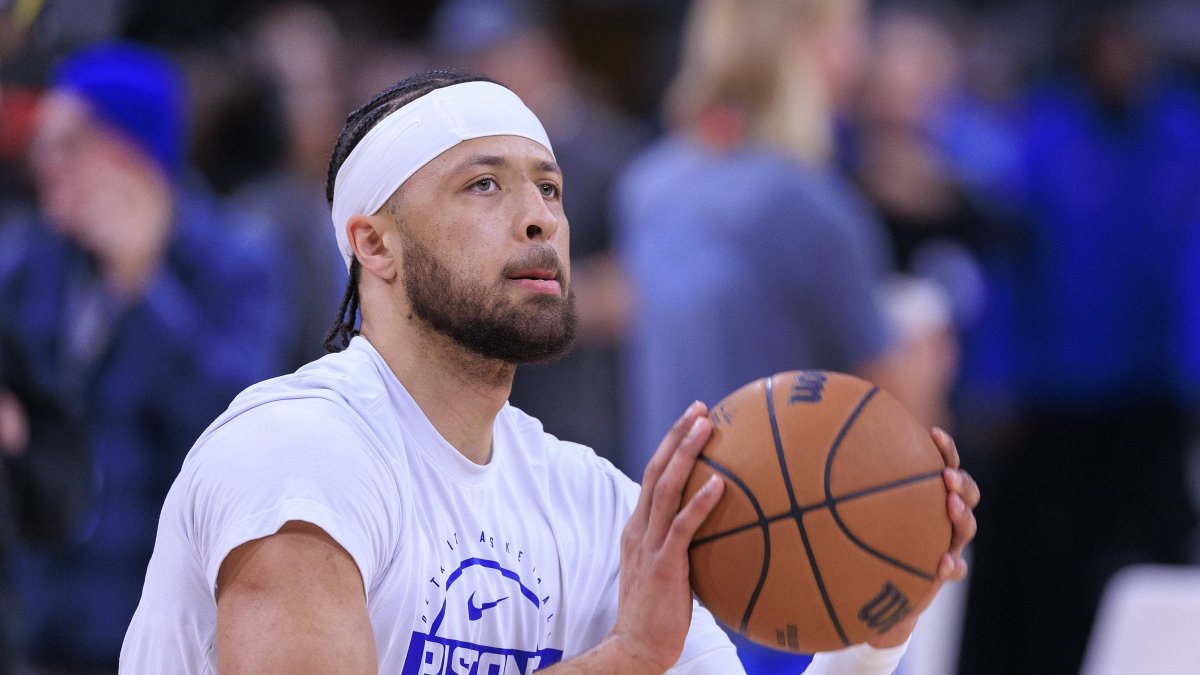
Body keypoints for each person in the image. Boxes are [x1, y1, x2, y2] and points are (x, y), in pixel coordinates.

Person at [120, 69, 978, 673]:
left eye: (552, 190)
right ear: (371, 243)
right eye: (484, 187)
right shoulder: (298, 452)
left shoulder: (593, 502)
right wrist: (628, 662)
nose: (539, 219)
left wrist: (874, 621)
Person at [614, 1, 959, 669]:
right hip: (798, 566)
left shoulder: (651, 184)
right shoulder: (810, 205)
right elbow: (906, 429)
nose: (858, 59)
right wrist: (929, 367)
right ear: (800, 46)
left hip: (659, 556)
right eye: (846, 37)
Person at [0, 41, 292, 670]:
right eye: (42, 140)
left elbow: (239, 427)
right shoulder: (31, 258)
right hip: (37, 608)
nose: (45, 161)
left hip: (160, 617)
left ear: (129, 149)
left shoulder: (234, 259)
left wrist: (143, 284)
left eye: (68, 141)